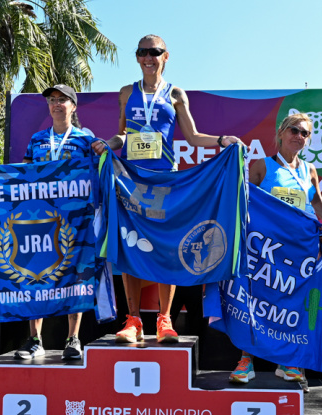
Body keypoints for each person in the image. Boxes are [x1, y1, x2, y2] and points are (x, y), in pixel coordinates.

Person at [91, 34, 240, 344]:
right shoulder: (125, 93)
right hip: (131, 179)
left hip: (164, 180)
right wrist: (107, 144)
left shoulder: (176, 95)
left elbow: (194, 136)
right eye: (143, 52)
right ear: (137, 57)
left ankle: (164, 319)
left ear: (166, 56)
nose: (149, 57)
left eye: (154, 52)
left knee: (166, 246)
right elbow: (121, 136)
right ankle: (132, 320)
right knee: (128, 245)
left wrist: (222, 140)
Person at [228, 114, 322, 385]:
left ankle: (287, 362)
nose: (299, 136)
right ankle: (246, 359)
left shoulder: (309, 170)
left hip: (297, 251)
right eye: (294, 130)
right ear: (281, 132)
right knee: (256, 301)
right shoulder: (262, 166)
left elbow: (318, 202)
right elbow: (246, 202)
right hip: (265, 250)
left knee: (290, 304)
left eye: (305, 133)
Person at [13, 83, 99, 361]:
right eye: (52, 100)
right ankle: (34, 339)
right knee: (36, 275)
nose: (56, 104)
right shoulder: (37, 139)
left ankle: (73, 339)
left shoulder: (85, 139)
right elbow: (23, 174)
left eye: (62, 100)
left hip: (75, 221)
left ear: (73, 106)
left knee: (75, 277)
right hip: (40, 220)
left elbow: (96, 176)